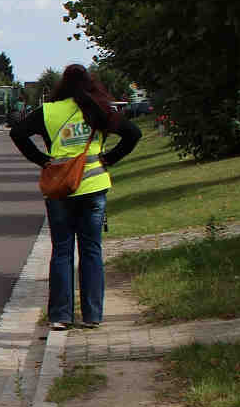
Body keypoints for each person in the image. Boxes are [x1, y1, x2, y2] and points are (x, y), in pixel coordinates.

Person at [11, 64, 142, 331]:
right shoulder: (100, 109)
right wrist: (109, 158)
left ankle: (61, 316)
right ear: (90, 84)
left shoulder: (49, 111)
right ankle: (93, 315)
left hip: (60, 188)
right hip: (94, 187)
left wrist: (43, 161)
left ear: (62, 85)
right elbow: (133, 134)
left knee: (62, 250)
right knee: (92, 250)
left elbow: (18, 133)